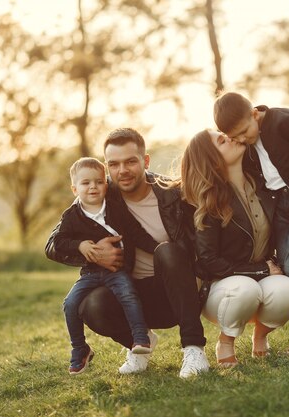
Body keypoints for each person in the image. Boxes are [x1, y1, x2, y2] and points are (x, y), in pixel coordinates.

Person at [45, 129, 209, 378]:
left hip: (177, 293)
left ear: (145, 161)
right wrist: (92, 252)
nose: (122, 170)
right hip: (129, 293)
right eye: (114, 164)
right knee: (91, 305)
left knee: (167, 252)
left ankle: (194, 348)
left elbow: (203, 239)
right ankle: (139, 341)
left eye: (130, 161)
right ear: (106, 167)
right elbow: (53, 244)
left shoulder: (172, 193)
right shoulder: (98, 194)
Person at [180, 129, 289, 367]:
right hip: (221, 288)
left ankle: (261, 335)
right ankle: (226, 340)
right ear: (211, 158)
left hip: (260, 278)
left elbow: (286, 231)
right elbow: (207, 261)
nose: (231, 137)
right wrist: (262, 270)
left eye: (226, 134)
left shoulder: (264, 187)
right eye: (222, 141)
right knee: (245, 289)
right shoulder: (209, 200)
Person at [214, 92, 289, 352]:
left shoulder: (286, 122)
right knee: (287, 261)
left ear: (255, 114)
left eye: (245, 131)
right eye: (238, 137)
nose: (244, 139)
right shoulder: (249, 143)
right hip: (278, 206)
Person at [47, 157, 159, 375]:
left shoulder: (116, 208)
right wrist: (79, 246)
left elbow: (135, 232)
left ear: (106, 184)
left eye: (98, 182)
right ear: (74, 188)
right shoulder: (72, 216)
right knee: (70, 304)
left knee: (127, 294)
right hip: (90, 273)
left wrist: (158, 249)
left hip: (117, 270)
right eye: (86, 183)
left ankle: (140, 337)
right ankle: (80, 349)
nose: (93, 187)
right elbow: (58, 242)